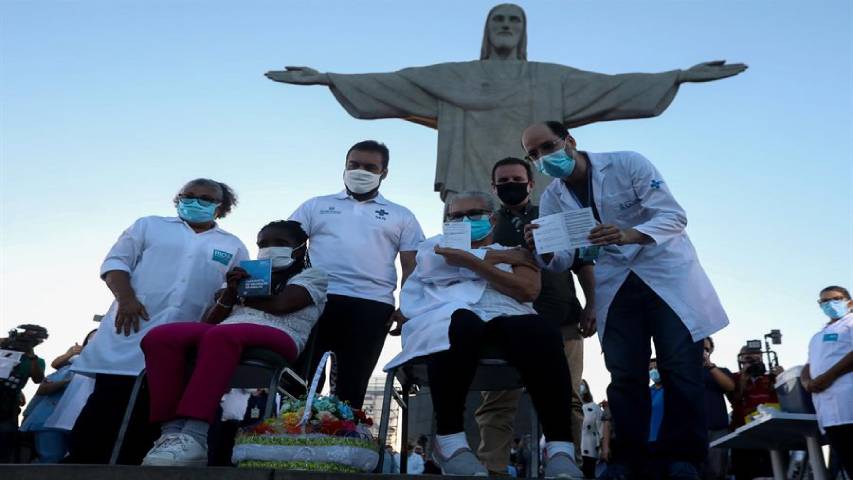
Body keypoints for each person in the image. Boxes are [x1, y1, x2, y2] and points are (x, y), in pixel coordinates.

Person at [521, 121, 729, 480]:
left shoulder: (627, 164)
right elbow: (565, 258)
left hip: (666, 276)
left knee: (680, 368)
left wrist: (629, 233)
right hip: (614, 285)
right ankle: (628, 459)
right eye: (534, 154)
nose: (542, 158)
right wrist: (541, 247)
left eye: (547, 147)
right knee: (624, 374)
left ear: (569, 141)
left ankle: (684, 458)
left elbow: (673, 216)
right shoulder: (554, 197)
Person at [385, 191, 582, 478]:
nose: (465, 221)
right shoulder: (432, 247)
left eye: (473, 214)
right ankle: (450, 441)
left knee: (542, 329)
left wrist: (472, 261)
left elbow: (527, 290)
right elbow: (444, 261)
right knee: (462, 322)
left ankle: (560, 449)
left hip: (506, 320)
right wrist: (498, 261)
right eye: (456, 216)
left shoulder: (520, 253)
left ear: (491, 218)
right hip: (449, 322)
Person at [68, 178, 249, 464]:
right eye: (188, 196)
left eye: (205, 198)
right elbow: (115, 263)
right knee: (106, 409)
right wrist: (126, 298)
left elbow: (230, 293)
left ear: (220, 208)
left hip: (181, 343)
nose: (194, 202)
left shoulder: (233, 245)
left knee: (154, 415)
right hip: (130, 329)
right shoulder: (149, 225)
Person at [139, 220, 327, 466]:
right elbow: (209, 322)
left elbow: (282, 306)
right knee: (161, 337)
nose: (269, 248)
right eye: (263, 244)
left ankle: (196, 435)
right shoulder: (246, 275)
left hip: (281, 333)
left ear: (300, 248)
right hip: (225, 333)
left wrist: (241, 294)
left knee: (220, 336)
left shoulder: (312, 276)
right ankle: (172, 434)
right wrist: (229, 293)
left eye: (280, 244)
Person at [474, 157, 595, 474]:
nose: (510, 185)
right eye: (503, 181)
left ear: (530, 184)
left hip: (562, 320)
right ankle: (493, 468)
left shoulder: (554, 216)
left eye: (517, 179)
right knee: (497, 402)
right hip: (504, 324)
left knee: (567, 399)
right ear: (493, 186)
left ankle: (568, 465)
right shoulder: (483, 223)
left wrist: (593, 303)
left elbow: (583, 263)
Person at [290, 140, 424, 409]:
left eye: (370, 167)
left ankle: (342, 442)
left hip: (372, 306)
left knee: (352, 387)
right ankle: (287, 441)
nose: (360, 171)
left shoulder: (402, 215)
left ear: (383, 173)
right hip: (314, 300)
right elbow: (285, 243)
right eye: (354, 165)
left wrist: (406, 308)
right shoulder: (315, 205)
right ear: (345, 166)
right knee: (299, 382)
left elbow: (412, 266)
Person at [19, 330, 97, 463]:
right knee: (51, 458)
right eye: (91, 338)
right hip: (48, 422)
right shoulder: (67, 369)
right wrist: (68, 380)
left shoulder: (104, 372)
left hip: (80, 424)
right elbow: (43, 389)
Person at [801, 285, 852, 478]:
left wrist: (828, 377)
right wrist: (807, 382)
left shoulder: (850, 323)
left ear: (850, 302)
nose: (830, 304)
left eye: (836, 299)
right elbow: (808, 364)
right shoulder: (818, 335)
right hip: (828, 411)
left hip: (848, 403)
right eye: (824, 301)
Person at [728, 345, 783, 480]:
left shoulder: (770, 378)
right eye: (748, 359)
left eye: (757, 359)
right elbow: (734, 400)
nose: (753, 362)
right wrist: (743, 379)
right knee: (745, 472)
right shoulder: (734, 378)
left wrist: (783, 377)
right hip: (743, 433)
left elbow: (784, 398)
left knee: (774, 472)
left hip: (770, 433)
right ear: (741, 361)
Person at [0, 325, 47, 463]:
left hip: (8, 407)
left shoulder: (36, 361)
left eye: (33, 340)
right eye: (25, 337)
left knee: (4, 443)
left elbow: (38, 378)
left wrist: (30, 355)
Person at [699, 337, 735, 480]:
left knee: (717, 472)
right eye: (699, 347)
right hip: (691, 429)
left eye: (706, 349)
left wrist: (710, 367)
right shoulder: (684, 370)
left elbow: (730, 387)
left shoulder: (720, 371)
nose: (703, 351)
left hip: (717, 430)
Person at [578, 380, 603, 479]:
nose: (580, 387)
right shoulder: (570, 407)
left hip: (590, 449)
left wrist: (602, 447)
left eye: (582, 385)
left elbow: (600, 429)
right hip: (575, 450)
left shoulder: (594, 407)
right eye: (578, 384)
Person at [648, 359, 664, 444]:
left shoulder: (672, 389)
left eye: (656, 367)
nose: (653, 371)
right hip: (650, 439)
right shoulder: (648, 392)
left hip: (668, 439)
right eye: (650, 369)